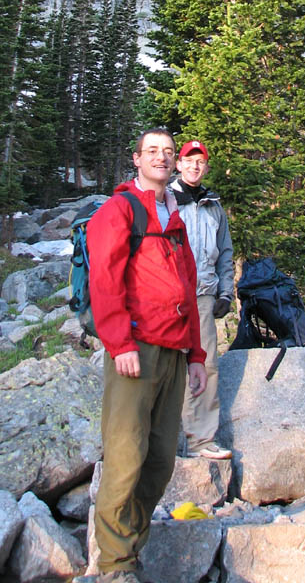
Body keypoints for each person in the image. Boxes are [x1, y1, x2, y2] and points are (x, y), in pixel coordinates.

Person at [88, 128, 207, 583]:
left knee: (159, 461)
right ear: (136, 159)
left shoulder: (173, 217)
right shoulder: (119, 210)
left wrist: (196, 355)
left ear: (175, 163)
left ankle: (130, 547)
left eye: (167, 152)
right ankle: (114, 565)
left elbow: (189, 292)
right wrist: (119, 344)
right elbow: (104, 281)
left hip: (174, 352)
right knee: (125, 457)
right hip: (135, 352)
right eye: (152, 151)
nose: (161, 157)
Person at [170, 140, 235, 460]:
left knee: (206, 366)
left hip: (205, 296)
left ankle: (201, 440)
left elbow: (225, 252)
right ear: (178, 165)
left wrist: (226, 291)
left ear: (206, 167)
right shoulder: (165, 200)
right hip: (169, 298)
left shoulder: (214, 205)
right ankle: (167, 440)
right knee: (169, 366)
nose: (195, 166)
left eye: (200, 161)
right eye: (189, 160)